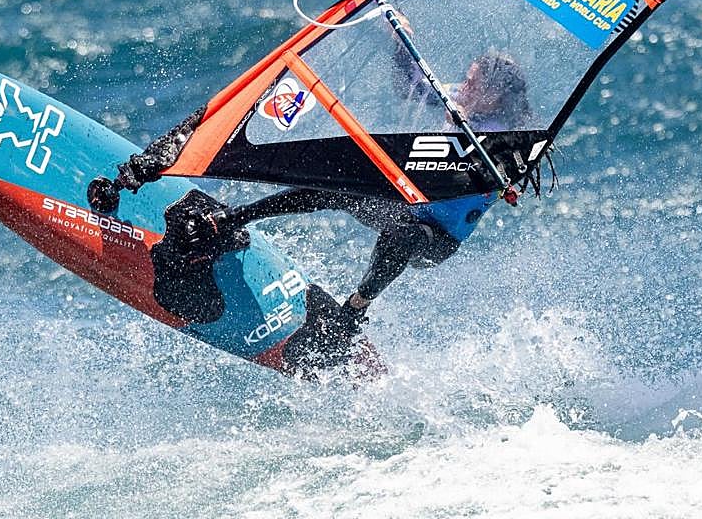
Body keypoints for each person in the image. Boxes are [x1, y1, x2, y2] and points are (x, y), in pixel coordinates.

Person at [87, 47, 530, 333]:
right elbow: (412, 84)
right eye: (467, 78)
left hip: (434, 239)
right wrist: (396, 35)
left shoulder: (502, 138)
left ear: (496, 97)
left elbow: (490, 168)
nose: (465, 86)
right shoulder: (462, 102)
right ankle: (230, 221)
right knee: (334, 184)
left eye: (475, 84)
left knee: (403, 236)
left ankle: (353, 311)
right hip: (404, 206)